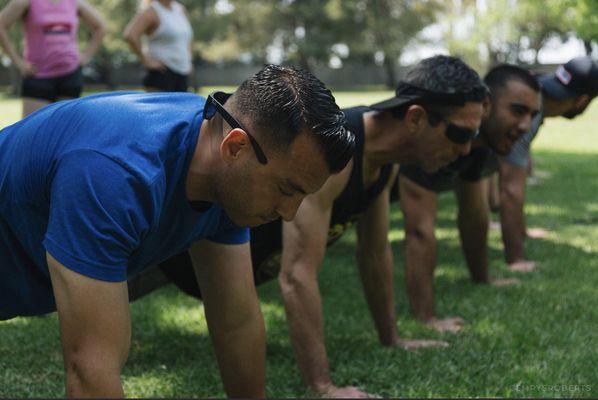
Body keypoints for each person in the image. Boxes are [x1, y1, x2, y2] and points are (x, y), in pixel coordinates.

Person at [129, 55, 488, 397]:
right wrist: (323, 386)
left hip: (224, 262)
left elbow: (375, 254)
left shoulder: (385, 162)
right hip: (173, 252)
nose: (467, 150)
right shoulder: (328, 154)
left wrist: (391, 338)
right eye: (459, 134)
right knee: (89, 297)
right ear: (415, 118)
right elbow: (297, 276)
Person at [0, 64, 354, 397]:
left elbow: (236, 321)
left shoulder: (225, 170)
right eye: (286, 190)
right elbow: (90, 370)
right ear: (234, 147)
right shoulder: (117, 174)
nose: (289, 214)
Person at [398, 64, 542, 333]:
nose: (526, 125)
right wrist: (426, 318)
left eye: (533, 115)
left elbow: (474, 216)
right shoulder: (433, 135)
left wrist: (482, 278)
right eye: (517, 111)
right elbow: (419, 230)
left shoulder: (481, 146)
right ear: (486, 105)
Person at [497, 56, 598, 272]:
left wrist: (522, 232)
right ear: (582, 101)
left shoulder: (536, 98)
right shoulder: (530, 113)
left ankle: (520, 233)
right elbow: (510, 190)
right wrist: (517, 259)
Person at [0, 0, 106, 117]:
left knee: (66, 131)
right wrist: (18, 62)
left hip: (70, 76)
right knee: (34, 132)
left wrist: (86, 56)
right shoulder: (26, 2)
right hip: (38, 77)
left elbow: (100, 27)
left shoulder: (75, 2)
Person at [124, 0, 193, 92]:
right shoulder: (151, 11)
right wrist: (146, 61)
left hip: (182, 74)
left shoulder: (181, 9)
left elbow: (187, 38)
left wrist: (188, 61)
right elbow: (130, 35)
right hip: (161, 73)